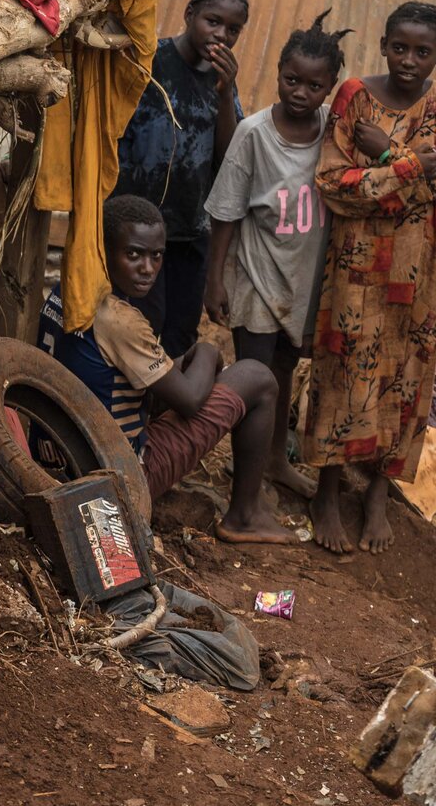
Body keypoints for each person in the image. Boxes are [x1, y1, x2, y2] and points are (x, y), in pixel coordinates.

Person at [305, 1, 436, 555]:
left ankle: (378, 491)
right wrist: (407, 168)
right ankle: (326, 491)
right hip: (358, 260)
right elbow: (334, 183)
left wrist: (387, 156)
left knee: (407, 371)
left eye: (423, 51)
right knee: (343, 361)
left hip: (419, 265)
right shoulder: (353, 96)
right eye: (400, 47)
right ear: (382, 44)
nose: (408, 60)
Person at [46, 195, 300, 544]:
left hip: (59, 454)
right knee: (256, 376)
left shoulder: (66, 292)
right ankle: (244, 516)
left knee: (180, 367)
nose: (148, 268)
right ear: (104, 250)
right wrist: (209, 352)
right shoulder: (119, 319)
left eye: (156, 255)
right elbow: (191, 402)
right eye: (133, 254)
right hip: (118, 474)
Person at [203, 11, 348, 500]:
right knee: (254, 377)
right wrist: (215, 280)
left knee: (284, 371)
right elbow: (225, 212)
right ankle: (245, 480)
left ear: (330, 88)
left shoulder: (334, 131)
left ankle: (272, 464)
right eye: (291, 80)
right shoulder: (254, 135)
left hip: (303, 282)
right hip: (257, 277)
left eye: (314, 85)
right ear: (279, 73)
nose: (300, 92)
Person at [113, 0, 247, 357]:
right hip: (135, 229)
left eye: (233, 29)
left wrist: (224, 93)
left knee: (178, 336)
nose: (221, 35)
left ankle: (163, 416)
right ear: (190, 14)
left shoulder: (222, 82)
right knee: (137, 328)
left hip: (189, 232)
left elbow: (228, 156)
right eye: (213, 21)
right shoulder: (150, 61)